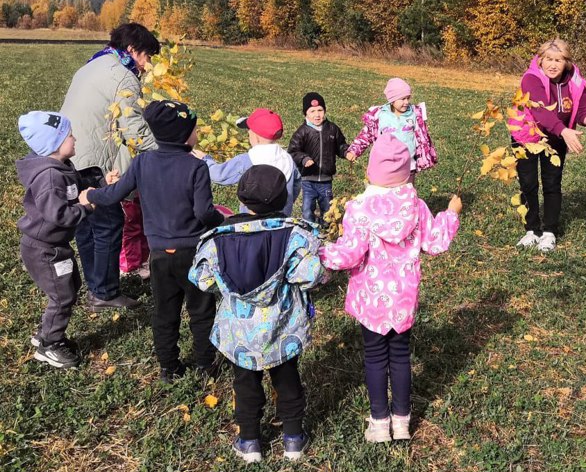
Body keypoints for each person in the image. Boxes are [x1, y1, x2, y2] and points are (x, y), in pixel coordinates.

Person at [320, 133, 461, 442]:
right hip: (403, 300)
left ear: (371, 171)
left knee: (374, 357)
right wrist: (450, 214)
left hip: (371, 301)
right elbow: (436, 242)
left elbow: (347, 254)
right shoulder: (417, 206)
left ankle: (379, 422)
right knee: (400, 356)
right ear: (405, 172)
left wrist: (320, 251)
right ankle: (402, 422)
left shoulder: (359, 208)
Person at [190, 165, 326, 463]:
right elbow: (312, 275)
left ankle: (249, 441)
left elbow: (201, 279)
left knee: (245, 382)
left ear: (241, 197)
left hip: (239, 333)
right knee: (287, 378)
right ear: (282, 198)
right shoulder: (295, 235)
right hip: (283, 327)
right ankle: (293, 439)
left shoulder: (217, 239)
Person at [82, 100, 225, 382]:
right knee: (201, 309)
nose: (197, 134)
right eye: (195, 130)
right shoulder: (196, 168)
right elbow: (203, 212)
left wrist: (91, 195)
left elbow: (113, 195)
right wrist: (221, 221)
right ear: (186, 135)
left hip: (159, 254)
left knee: (164, 311)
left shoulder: (143, 161)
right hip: (193, 253)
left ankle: (169, 367)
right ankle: (206, 365)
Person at [61, 22, 160, 310]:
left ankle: (96, 284)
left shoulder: (94, 63)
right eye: (147, 56)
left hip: (71, 156)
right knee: (108, 222)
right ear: (132, 50)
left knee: (87, 222)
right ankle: (103, 292)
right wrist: (168, 152)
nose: (147, 65)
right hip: (92, 162)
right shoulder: (123, 77)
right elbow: (134, 130)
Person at [16, 112, 100, 368]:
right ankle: (49, 345)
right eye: (68, 135)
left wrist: (99, 183)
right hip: (44, 250)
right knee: (62, 296)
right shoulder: (50, 178)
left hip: (55, 246)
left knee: (70, 287)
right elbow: (59, 215)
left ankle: (47, 333)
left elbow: (74, 188)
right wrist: (85, 206)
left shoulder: (61, 168)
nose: (74, 138)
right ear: (54, 144)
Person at [508, 39, 586, 252]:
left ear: (566, 62)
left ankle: (549, 231)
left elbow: (585, 108)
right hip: (527, 135)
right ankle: (532, 229)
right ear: (541, 60)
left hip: (557, 136)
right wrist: (564, 130)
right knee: (528, 182)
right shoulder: (531, 78)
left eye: (558, 60)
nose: (552, 65)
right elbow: (540, 111)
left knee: (552, 183)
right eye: (548, 59)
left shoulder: (575, 82)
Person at [192, 108, 300, 218]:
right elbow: (296, 185)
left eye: (249, 130)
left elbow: (219, 175)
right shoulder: (288, 159)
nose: (248, 132)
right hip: (281, 220)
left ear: (256, 136)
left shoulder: (247, 160)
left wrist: (206, 159)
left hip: (251, 222)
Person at [345, 78, 437, 182]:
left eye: (408, 98)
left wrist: (426, 156)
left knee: (407, 193)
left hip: (408, 164)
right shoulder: (380, 115)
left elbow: (423, 137)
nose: (406, 102)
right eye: (402, 99)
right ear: (392, 100)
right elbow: (366, 135)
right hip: (386, 164)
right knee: (387, 194)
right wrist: (354, 150)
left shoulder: (414, 114)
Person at [287, 92, 349, 225]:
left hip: (326, 180)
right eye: (312, 111)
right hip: (308, 180)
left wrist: (346, 152)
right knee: (307, 209)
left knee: (327, 208)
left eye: (320, 110)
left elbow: (341, 145)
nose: (317, 114)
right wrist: (304, 159)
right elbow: (293, 151)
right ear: (305, 114)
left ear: (325, 111)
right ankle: (309, 228)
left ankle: (327, 229)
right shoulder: (302, 131)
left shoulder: (332, 129)